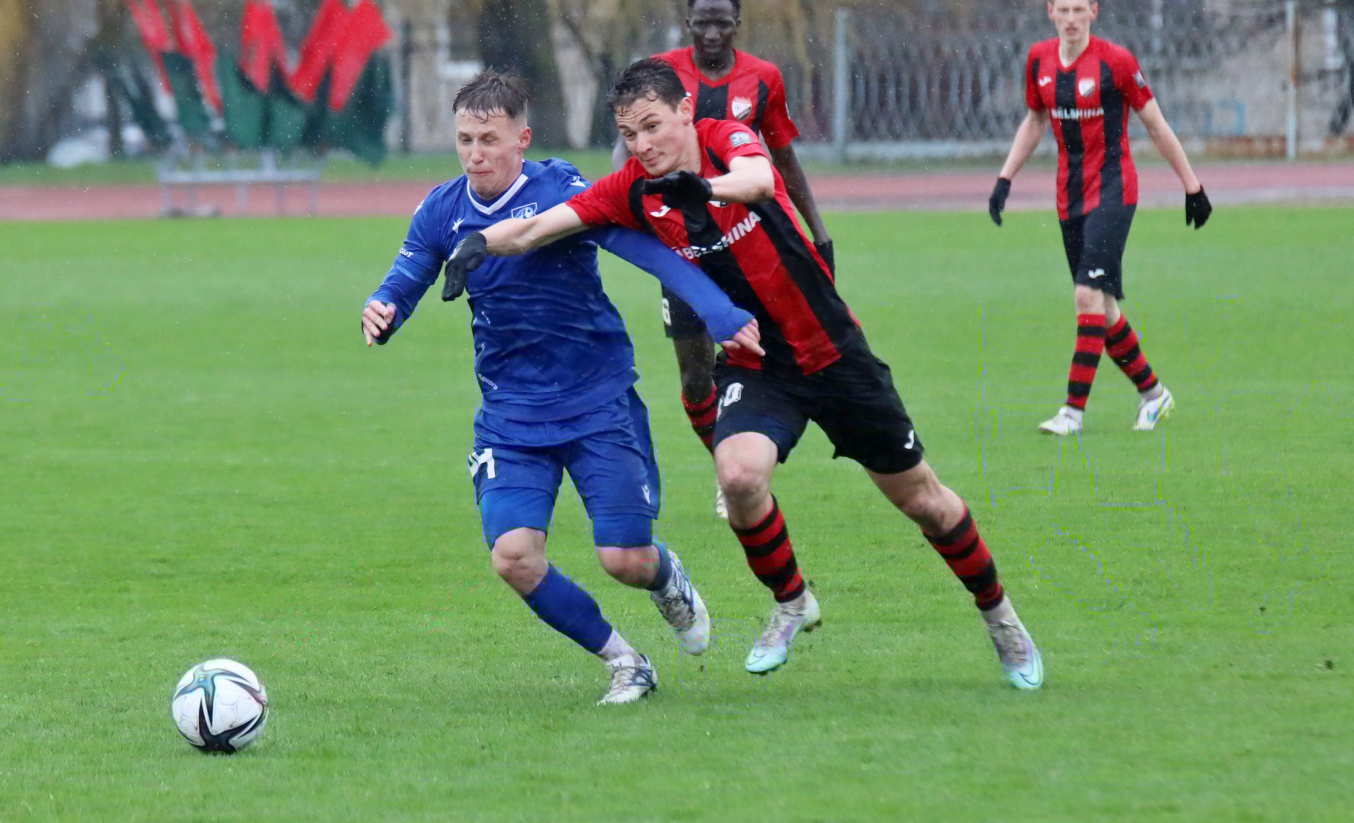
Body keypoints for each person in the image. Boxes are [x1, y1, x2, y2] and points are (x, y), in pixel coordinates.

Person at [446, 59, 1043, 690]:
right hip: (759, 363)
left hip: (835, 355)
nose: (643, 144)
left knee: (924, 501)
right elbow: (538, 227)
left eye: (653, 126)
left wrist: (705, 190)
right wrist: (478, 244)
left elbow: (758, 179)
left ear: (685, 112)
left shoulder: (725, 139)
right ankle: (791, 600)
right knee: (737, 476)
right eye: (629, 133)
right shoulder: (632, 189)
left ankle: (1000, 617)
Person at [362, 70, 762, 705]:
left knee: (624, 560)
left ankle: (664, 578)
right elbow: (409, 271)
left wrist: (717, 312)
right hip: (511, 415)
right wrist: (384, 307)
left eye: (489, 140)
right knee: (514, 557)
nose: (475, 155)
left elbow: (644, 250)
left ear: (522, 140)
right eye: (465, 140)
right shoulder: (443, 208)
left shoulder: (561, 191)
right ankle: (625, 662)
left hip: (598, 401)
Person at [616, 0, 833, 517]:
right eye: (702, 23)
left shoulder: (763, 79)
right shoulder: (660, 74)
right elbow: (630, 154)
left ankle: (740, 469)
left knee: (753, 361)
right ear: (687, 25)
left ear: (738, 25)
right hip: (682, 252)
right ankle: (725, 463)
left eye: (722, 23)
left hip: (745, 250)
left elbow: (783, 159)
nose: (712, 33)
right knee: (695, 376)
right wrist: (623, 211)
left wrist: (819, 232)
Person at [990, 0, 1212, 436]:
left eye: (1079, 10)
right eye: (1063, 10)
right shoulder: (1038, 60)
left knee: (1086, 295)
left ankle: (1072, 412)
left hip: (1114, 190)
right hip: (1068, 197)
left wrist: (1192, 186)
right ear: (1051, 13)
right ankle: (1153, 394)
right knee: (1103, 307)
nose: (1071, 18)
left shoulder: (1116, 62)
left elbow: (1155, 124)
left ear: (1094, 12)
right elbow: (1035, 120)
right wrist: (1005, 178)